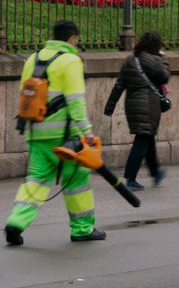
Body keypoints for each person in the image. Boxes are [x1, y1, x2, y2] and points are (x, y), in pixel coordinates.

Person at [5, 20, 105, 246]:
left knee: (36, 180)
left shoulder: (33, 58)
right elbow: (75, 100)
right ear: (72, 39)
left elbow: (25, 93)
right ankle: (82, 228)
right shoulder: (70, 60)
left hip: (36, 132)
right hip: (65, 138)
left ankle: (16, 222)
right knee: (77, 180)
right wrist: (86, 131)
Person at [104, 31, 170, 191]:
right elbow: (165, 76)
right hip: (148, 104)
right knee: (142, 139)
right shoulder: (155, 60)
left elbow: (120, 84)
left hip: (132, 104)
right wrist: (163, 59)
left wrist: (110, 107)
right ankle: (130, 178)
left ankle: (155, 172)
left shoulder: (130, 60)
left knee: (146, 137)